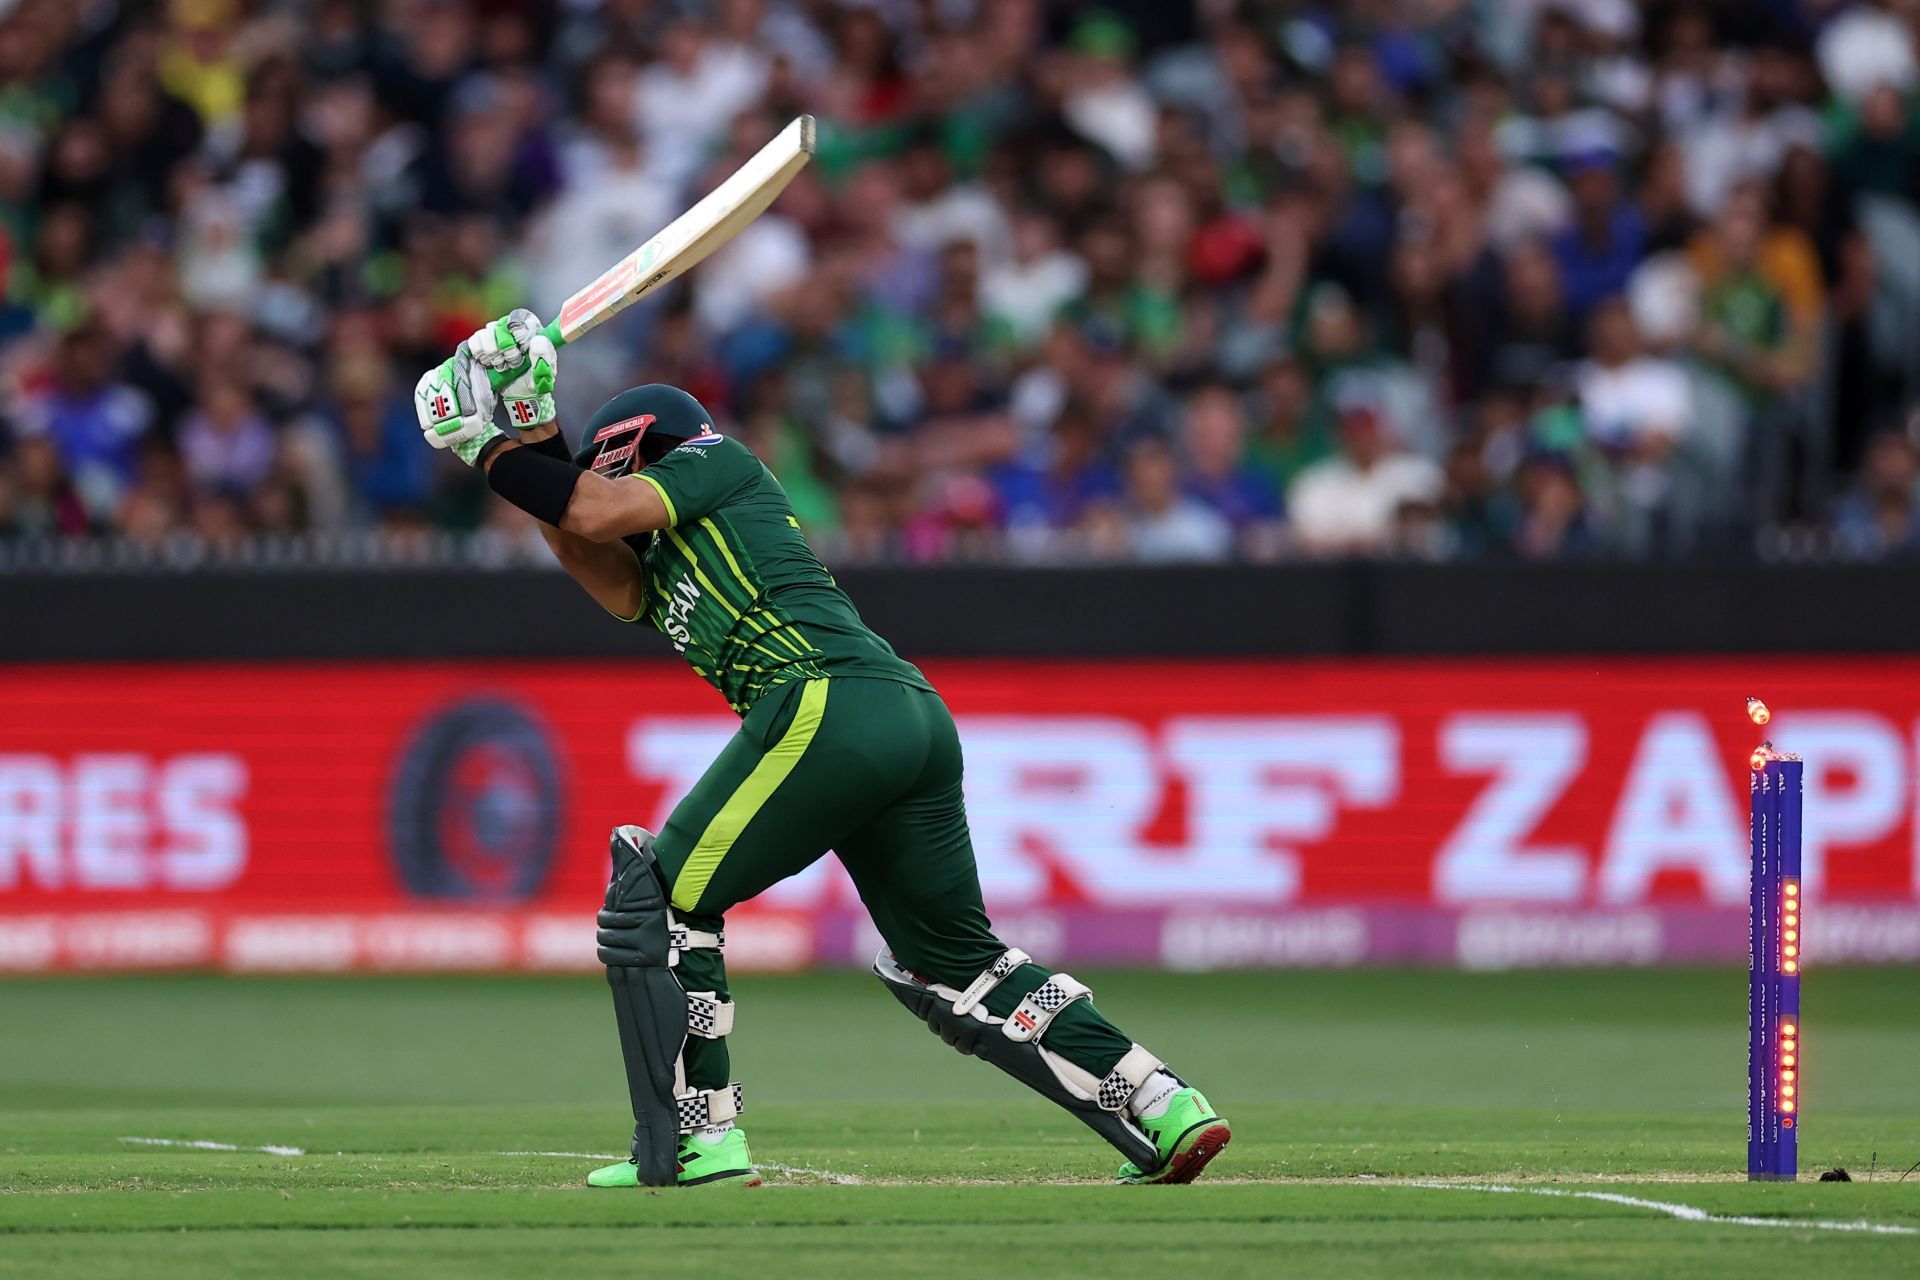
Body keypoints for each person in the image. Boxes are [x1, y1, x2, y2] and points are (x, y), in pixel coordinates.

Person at [412, 311, 1230, 1189]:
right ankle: (1159, 1102)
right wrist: (515, 429)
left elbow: (589, 504)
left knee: (662, 897)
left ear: (635, 448)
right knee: (948, 959)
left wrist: (493, 449)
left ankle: (701, 1140)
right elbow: (588, 542)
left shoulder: (712, 462)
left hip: (825, 700)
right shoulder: (654, 558)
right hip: (901, 717)